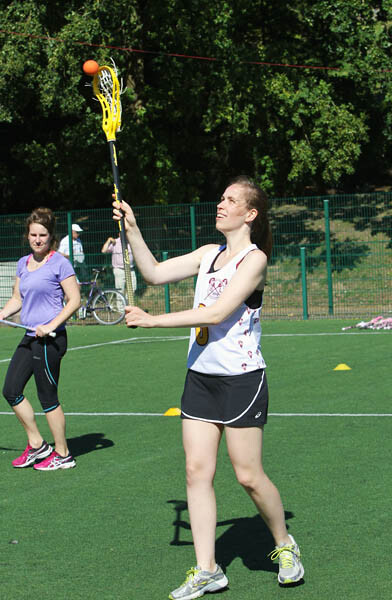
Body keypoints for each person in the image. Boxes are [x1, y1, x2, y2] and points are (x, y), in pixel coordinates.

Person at [113, 176, 304, 598]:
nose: (221, 204)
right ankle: (207, 569)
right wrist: (133, 228)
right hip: (200, 377)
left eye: (231, 200)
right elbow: (154, 273)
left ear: (250, 214)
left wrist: (153, 321)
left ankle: (284, 543)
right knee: (196, 471)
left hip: (241, 379)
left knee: (248, 475)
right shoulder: (207, 254)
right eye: (221, 197)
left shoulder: (254, 260)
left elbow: (216, 313)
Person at [0, 207, 81, 471]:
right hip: (29, 336)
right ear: (27, 235)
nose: (37, 239)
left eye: (42, 235)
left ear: (51, 236)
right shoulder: (23, 263)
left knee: (47, 397)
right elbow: (17, 298)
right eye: (33, 235)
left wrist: (51, 325)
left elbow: (74, 300)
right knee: (11, 390)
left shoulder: (59, 263)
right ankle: (37, 445)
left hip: (50, 340)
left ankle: (63, 454)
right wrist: (1, 314)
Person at [101, 232, 137, 298]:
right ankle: (121, 304)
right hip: (119, 270)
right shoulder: (115, 242)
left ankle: (127, 303)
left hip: (130, 269)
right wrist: (109, 240)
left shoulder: (131, 242)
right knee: (120, 292)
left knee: (133, 289)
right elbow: (103, 251)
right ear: (119, 234)